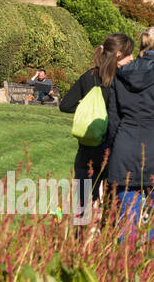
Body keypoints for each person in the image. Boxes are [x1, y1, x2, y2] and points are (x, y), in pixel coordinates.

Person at [106, 26, 154, 242]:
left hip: (125, 145)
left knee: (126, 216)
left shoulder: (120, 74)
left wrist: (112, 148)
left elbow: (113, 117)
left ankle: (124, 267)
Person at [58, 34, 135, 223]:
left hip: (86, 150)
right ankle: (104, 242)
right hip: (112, 151)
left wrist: (87, 111)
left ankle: (78, 242)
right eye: (128, 54)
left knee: (83, 203)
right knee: (110, 205)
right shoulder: (123, 81)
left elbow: (65, 105)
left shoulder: (89, 76)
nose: (132, 58)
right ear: (117, 54)